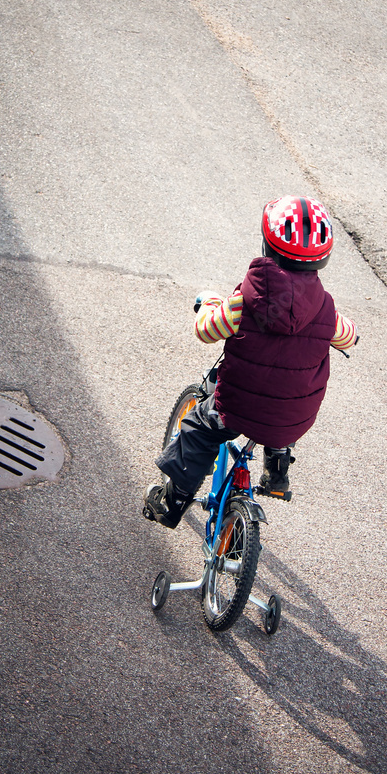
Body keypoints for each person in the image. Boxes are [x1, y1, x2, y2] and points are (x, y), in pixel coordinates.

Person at [143, 195, 358, 529]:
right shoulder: (327, 312)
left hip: (238, 407)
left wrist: (211, 303)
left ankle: (171, 503)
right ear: (322, 258)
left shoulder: (242, 303)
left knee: (199, 431)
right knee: (286, 405)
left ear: (266, 245)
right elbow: (348, 336)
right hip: (295, 418)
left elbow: (206, 330)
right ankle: (276, 472)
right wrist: (344, 334)